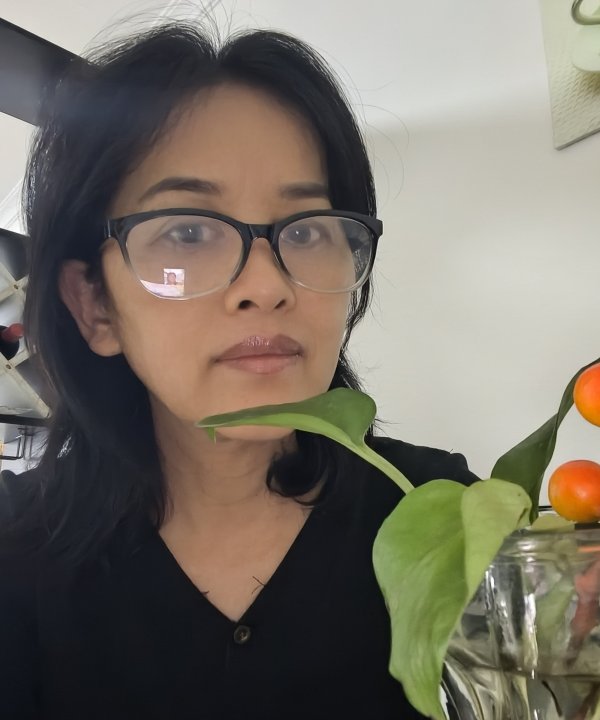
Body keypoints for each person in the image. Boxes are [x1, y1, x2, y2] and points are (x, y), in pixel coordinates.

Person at [0, 22, 477, 720]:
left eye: (306, 229)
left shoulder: (446, 512)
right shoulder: (15, 551)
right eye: (188, 231)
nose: (267, 285)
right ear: (94, 304)